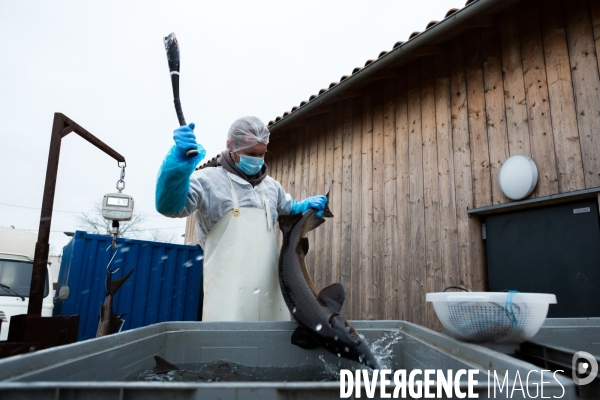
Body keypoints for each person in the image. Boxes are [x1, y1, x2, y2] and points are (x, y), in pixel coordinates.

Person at [155, 116, 327, 322]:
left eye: (262, 154)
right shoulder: (207, 181)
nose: (258, 159)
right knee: (227, 348)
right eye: (251, 154)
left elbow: (289, 209)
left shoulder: (271, 187)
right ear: (230, 146)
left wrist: (304, 207)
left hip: (268, 292)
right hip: (225, 296)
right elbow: (170, 207)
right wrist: (177, 166)